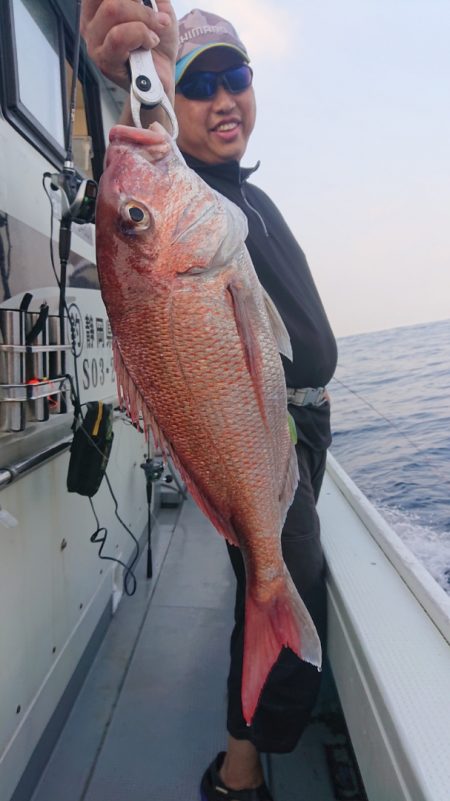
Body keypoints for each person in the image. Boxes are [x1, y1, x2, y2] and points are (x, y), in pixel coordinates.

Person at [81, 3, 338, 800]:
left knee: (270, 581)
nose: (224, 99)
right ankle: (240, 772)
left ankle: (249, 749)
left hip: (285, 423)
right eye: (198, 85)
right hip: (262, 433)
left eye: (237, 77)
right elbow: (140, 183)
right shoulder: (195, 192)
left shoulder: (237, 199)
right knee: (281, 582)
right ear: (172, 102)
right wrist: (129, 77)